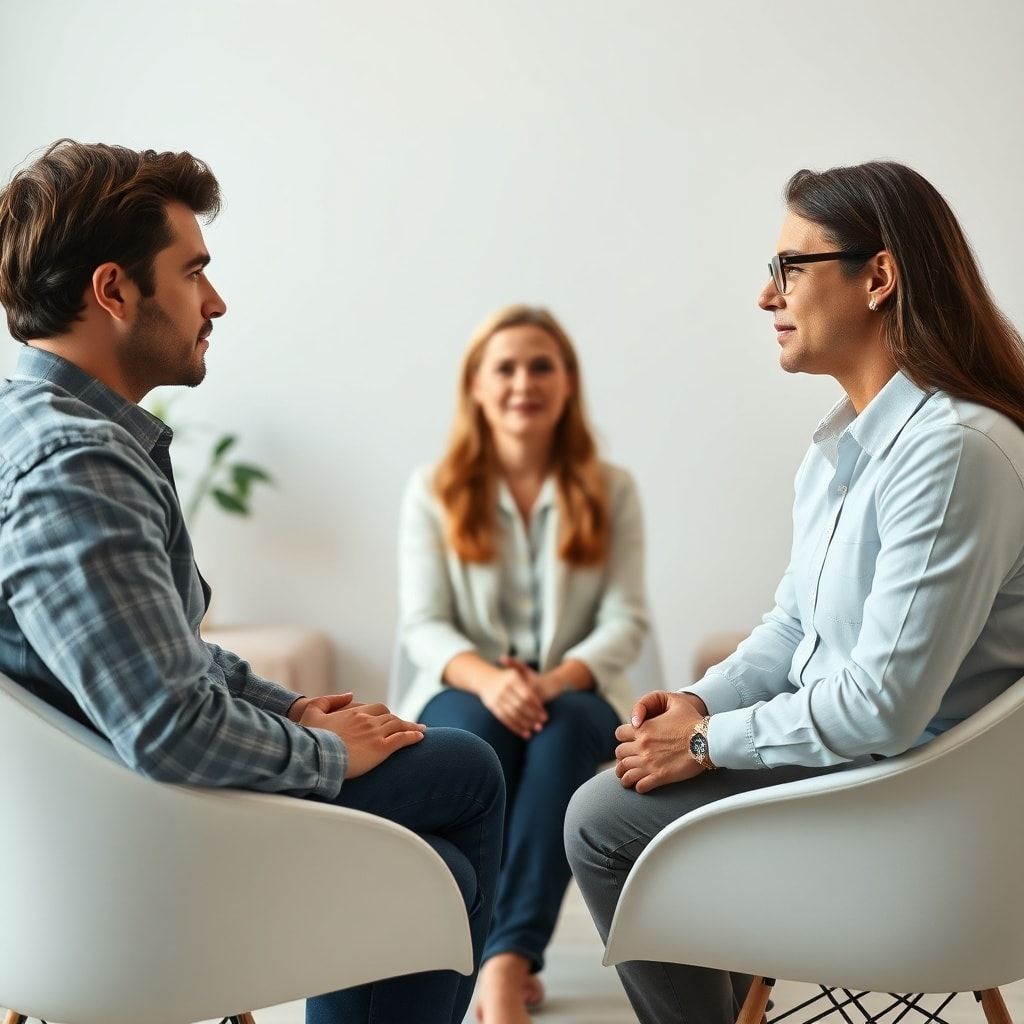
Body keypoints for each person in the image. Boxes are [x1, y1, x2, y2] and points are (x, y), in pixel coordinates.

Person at [0, 139, 504, 1024]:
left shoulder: (44, 430)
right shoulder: (72, 461)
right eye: (194, 273)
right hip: (134, 856)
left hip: (115, 826)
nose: (217, 302)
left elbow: (168, 659)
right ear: (114, 292)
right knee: (461, 772)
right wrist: (332, 751)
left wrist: (290, 710)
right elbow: (166, 726)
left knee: (438, 871)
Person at [565, 161, 1024, 1024]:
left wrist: (704, 746)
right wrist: (697, 703)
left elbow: (884, 707)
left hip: (912, 813)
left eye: (788, 269)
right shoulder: (843, 451)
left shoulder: (955, 452)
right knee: (623, 785)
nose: (765, 297)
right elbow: (790, 632)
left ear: (878, 277)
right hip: (865, 782)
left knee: (602, 819)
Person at [395, 304, 649, 1023]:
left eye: (542, 365)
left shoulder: (612, 487)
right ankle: (478, 951)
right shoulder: (434, 488)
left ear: (568, 383)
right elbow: (424, 626)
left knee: (565, 726)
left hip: (573, 691)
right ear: (475, 384)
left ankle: (505, 958)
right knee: (478, 732)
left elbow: (624, 621)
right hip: (466, 683)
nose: (523, 382)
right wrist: (491, 679)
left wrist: (552, 679)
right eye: (504, 367)